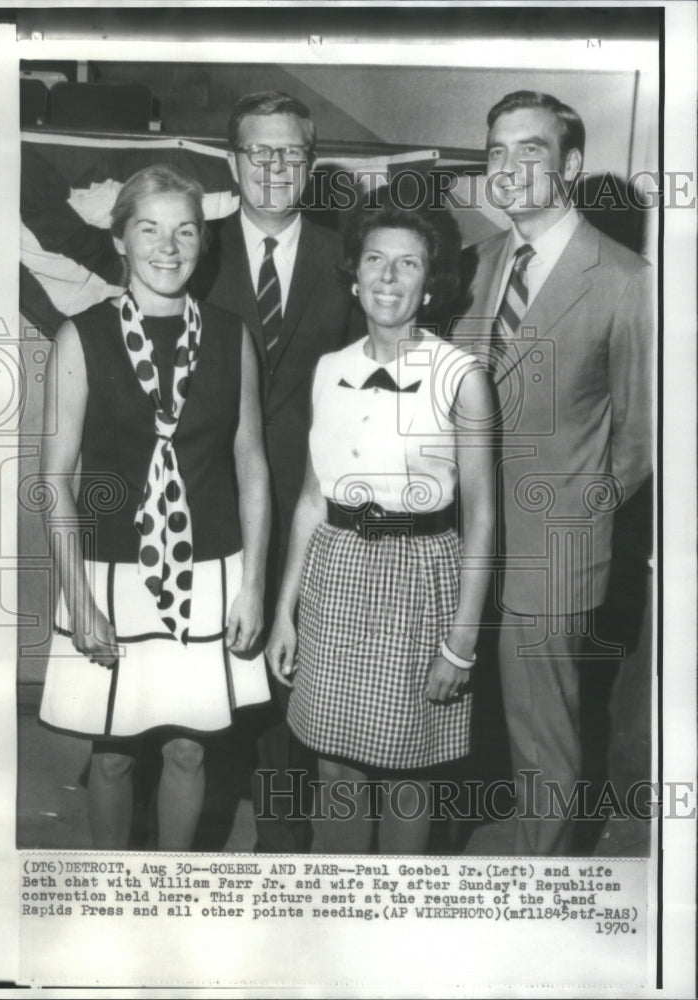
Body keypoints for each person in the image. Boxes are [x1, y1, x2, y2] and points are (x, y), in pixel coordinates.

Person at [38, 165, 271, 851]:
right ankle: (117, 900)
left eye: (186, 231)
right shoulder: (79, 337)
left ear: (203, 243)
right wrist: (77, 597)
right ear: (120, 240)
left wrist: (253, 584)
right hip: (110, 573)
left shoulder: (231, 337)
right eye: (150, 229)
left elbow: (251, 463)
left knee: (189, 752)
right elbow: (53, 477)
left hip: (208, 573)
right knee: (111, 754)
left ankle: (169, 898)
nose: (168, 247)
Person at [452, 91, 653, 855]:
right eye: (496, 152)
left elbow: (640, 440)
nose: (507, 168)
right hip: (464, 541)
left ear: (569, 164)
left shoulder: (626, 280)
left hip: (555, 550)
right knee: (469, 721)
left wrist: (579, 519)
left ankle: (545, 901)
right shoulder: (475, 266)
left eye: (529, 150)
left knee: (546, 737)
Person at [267, 195, 495, 854]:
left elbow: (481, 516)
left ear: (431, 283)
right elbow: (312, 500)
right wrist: (285, 613)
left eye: (408, 264)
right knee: (332, 758)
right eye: (375, 260)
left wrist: (461, 642)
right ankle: (344, 921)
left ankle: (399, 925)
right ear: (354, 273)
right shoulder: (329, 370)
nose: (388, 278)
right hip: (335, 572)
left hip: (420, 576)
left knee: (406, 771)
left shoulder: (461, 376)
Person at [191, 91, 358, 852]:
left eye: (290, 152)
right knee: (198, 692)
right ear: (233, 162)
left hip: (307, 507)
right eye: (258, 151)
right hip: (199, 502)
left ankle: (283, 849)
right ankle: (181, 847)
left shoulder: (346, 257)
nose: (274, 166)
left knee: (284, 687)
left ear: (311, 163)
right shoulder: (193, 247)